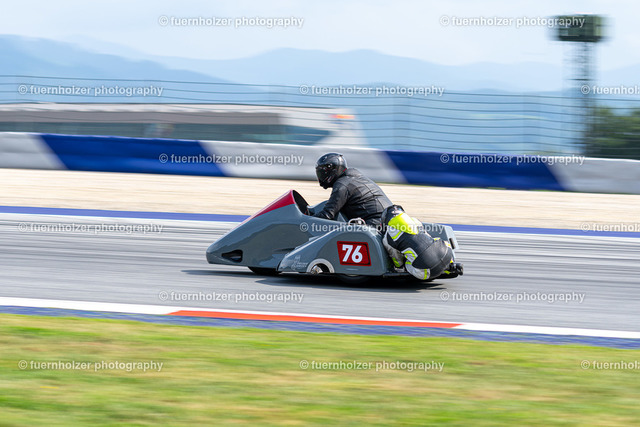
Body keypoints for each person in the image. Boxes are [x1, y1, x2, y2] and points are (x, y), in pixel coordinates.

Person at [381, 205, 460, 281]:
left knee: (406, 263)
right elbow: (427, 238)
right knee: (436, 241)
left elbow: (397, 260)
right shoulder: (415, 221)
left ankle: (430, 268)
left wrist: (399, 267)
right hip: (446, 254)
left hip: (426, 271)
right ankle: (449, 265)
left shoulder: (388, 237)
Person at [311, 153, 392, 226]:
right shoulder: (356, 177)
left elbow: (327, 215)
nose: (321, 176)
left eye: (322, 173)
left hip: (375, 223)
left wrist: (308, 219)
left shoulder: (342, 184)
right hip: (387, 219)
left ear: (333, 171)